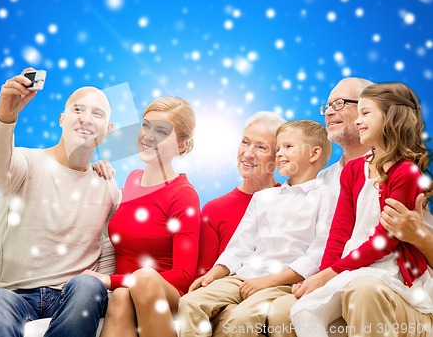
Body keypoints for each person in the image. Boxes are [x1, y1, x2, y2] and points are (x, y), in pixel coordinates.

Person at [0, 69, 120, 337]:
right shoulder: (26, 163)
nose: (86, 119)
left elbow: (109, 251)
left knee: (89, 286)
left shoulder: (108, 186)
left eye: (97, 114)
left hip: (74, 296)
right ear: (62, 119)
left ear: (108, 130)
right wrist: (6, 117)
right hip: (13, 295)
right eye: (78, 110)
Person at [290, 82, 433, 337]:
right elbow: (339, 233)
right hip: (349, 267)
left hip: (386, 270)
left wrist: (329, 274)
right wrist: (323, 275)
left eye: (366, 113)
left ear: (391, 119)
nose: (358, 121)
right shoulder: (353, 171)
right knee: (304, 311)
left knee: (362, 292)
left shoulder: (405, 173)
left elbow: (384, 241)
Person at [178, 120, 336, 337]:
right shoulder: (263, 198)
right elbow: (240, 246)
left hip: (283, 282)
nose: (279, 154)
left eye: (288, 147)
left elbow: (317, 255)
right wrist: (214, 274)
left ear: (314, 154)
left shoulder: (327, 197)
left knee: (240, 320)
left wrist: (267, 281)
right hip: (245, 276)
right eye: (278, 148)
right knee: (189, 303)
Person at [86, 96, 201, 337]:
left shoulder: (183, 195)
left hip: (161, 295)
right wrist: (93, 170)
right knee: (120, 298)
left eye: (161, 131)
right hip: (123, 293)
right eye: (146, 125)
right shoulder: (132, 179)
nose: (148, 136)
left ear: (182, 145)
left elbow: (183, 276)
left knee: (142, 280)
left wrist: (110, 281)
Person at [193, 111, 285, 337]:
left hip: (274, 297)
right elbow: (205, 272)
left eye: (261, 147)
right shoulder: (215, 209)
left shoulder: (293, 201)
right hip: (228, 300)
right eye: (245, 142)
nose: (248, 153)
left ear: (279, 157)